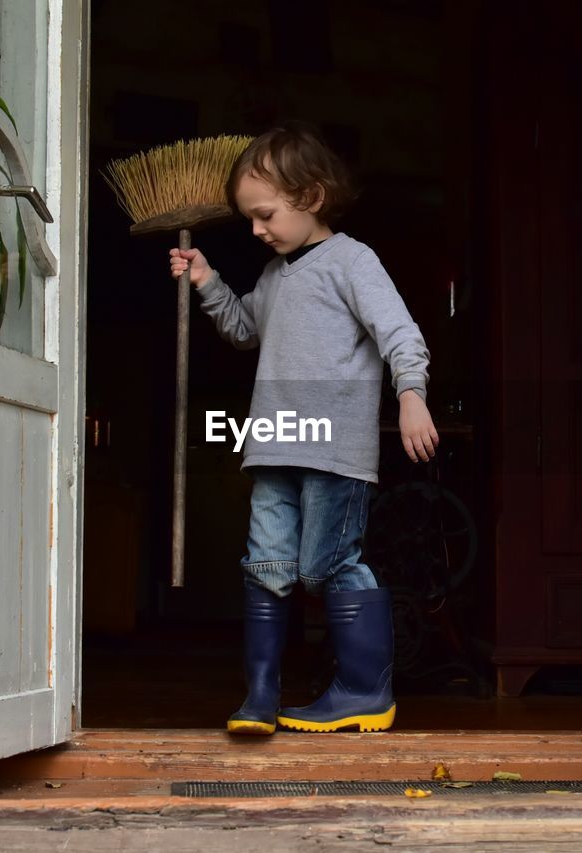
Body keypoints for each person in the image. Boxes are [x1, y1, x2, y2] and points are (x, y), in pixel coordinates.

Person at [168, 122, 438, 735]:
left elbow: (400, 333)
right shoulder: (272, 275)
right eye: (249, 220)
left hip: (333, 451)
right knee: (265, 565)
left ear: (311, 198)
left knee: (328, 566)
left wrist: (411, 395)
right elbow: (243, 331)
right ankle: (261, 695)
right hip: (272, 447)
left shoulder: (352, 261)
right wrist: (208, 281)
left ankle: (365, 692)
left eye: (264, 215)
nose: (257, 231)